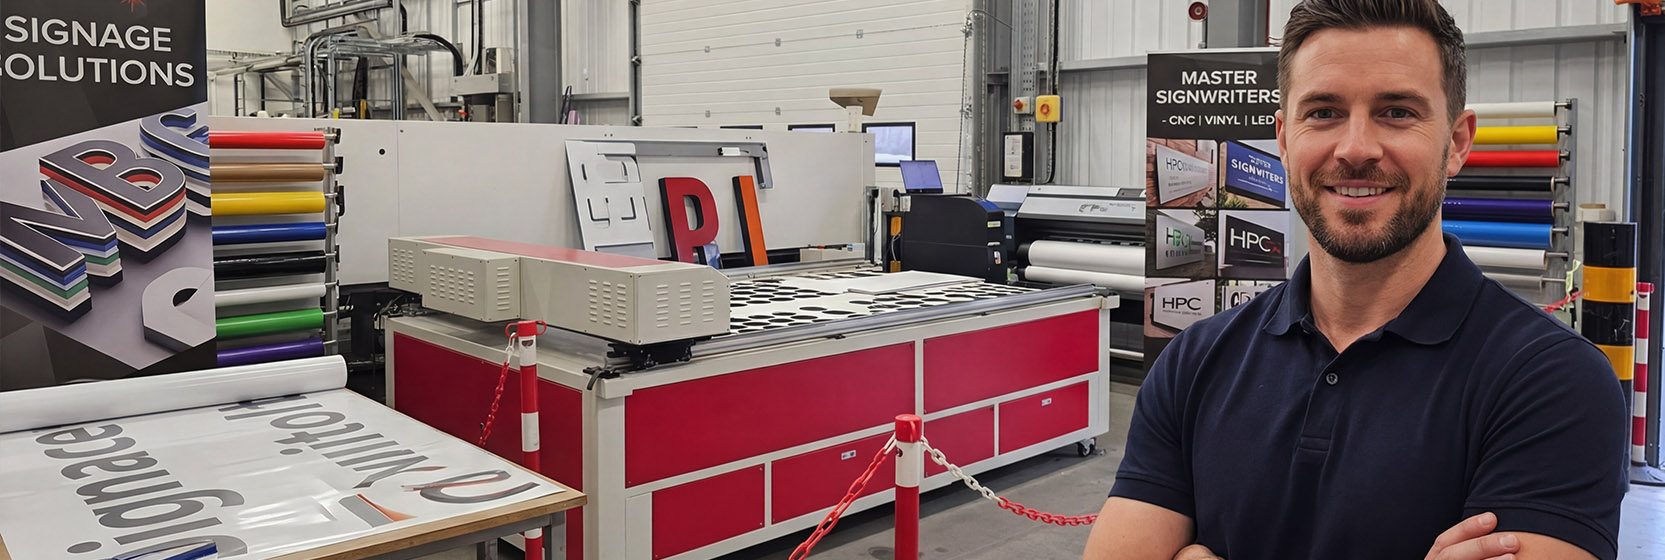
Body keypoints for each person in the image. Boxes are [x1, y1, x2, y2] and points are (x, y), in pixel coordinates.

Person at [1081, 1, 1628, 559]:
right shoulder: (1195, 360)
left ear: (1457, 143)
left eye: (1396, 112)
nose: (1356, 148)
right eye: (1323, 112)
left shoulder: (1553, 385)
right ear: (1285, 139)